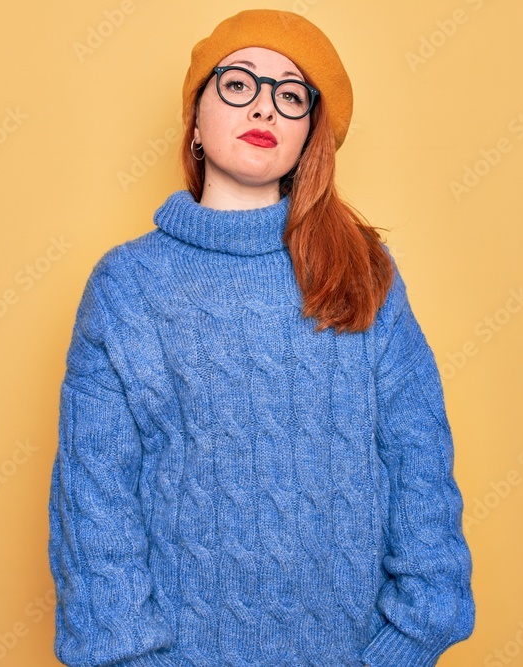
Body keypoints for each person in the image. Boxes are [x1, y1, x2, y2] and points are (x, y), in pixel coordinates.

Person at [47, 9, 475, 667]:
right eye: (238, 83)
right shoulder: (126, 286)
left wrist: (407, 644)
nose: (265, 107)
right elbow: (94, 500)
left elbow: (420, 464)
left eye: (291, 94)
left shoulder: (362, 272)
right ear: (195, 120)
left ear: (309, 135)